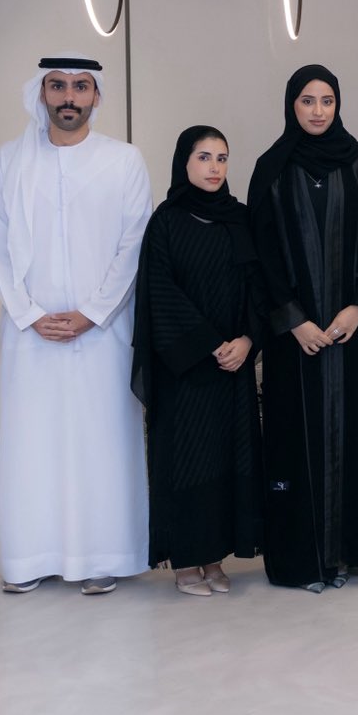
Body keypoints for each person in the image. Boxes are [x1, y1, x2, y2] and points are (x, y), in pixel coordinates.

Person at [0, 55, 152, 597]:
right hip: (30, 333)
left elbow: (134, 245)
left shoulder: (123, 160)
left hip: (103, 333)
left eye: (80, 87)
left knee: (101, 442)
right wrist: (29, 312)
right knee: (33, 444)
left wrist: (93, 312)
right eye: (57, 86)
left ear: (96, 96)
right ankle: (30, 557)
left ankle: (103, 554)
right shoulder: (9, 161)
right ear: (42, 93)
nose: (69, 97)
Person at [248, 65, 358, 592]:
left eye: (327, 100)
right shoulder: (272, 167)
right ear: (292, 105)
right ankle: (301, 560)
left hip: (352, 331)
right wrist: (294, 321)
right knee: (293, 439)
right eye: (307, 100)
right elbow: (260, 252)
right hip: (294, 339)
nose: (317, 110)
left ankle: (347, 552)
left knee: (352, 431)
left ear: (338, 105)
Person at [131, 126, 266, 595]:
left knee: (228, 459)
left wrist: (247, 339)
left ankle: (215, 557)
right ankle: (187, 561)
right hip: (186, 369)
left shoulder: (240, 219)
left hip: (234, 366)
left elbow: (259, 287)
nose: (214, 167)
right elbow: (160, 293)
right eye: (204, 157)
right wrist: (210, 343)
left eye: (222, 158)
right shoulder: (166, 222)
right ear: (183, 162)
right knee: (189, 461)